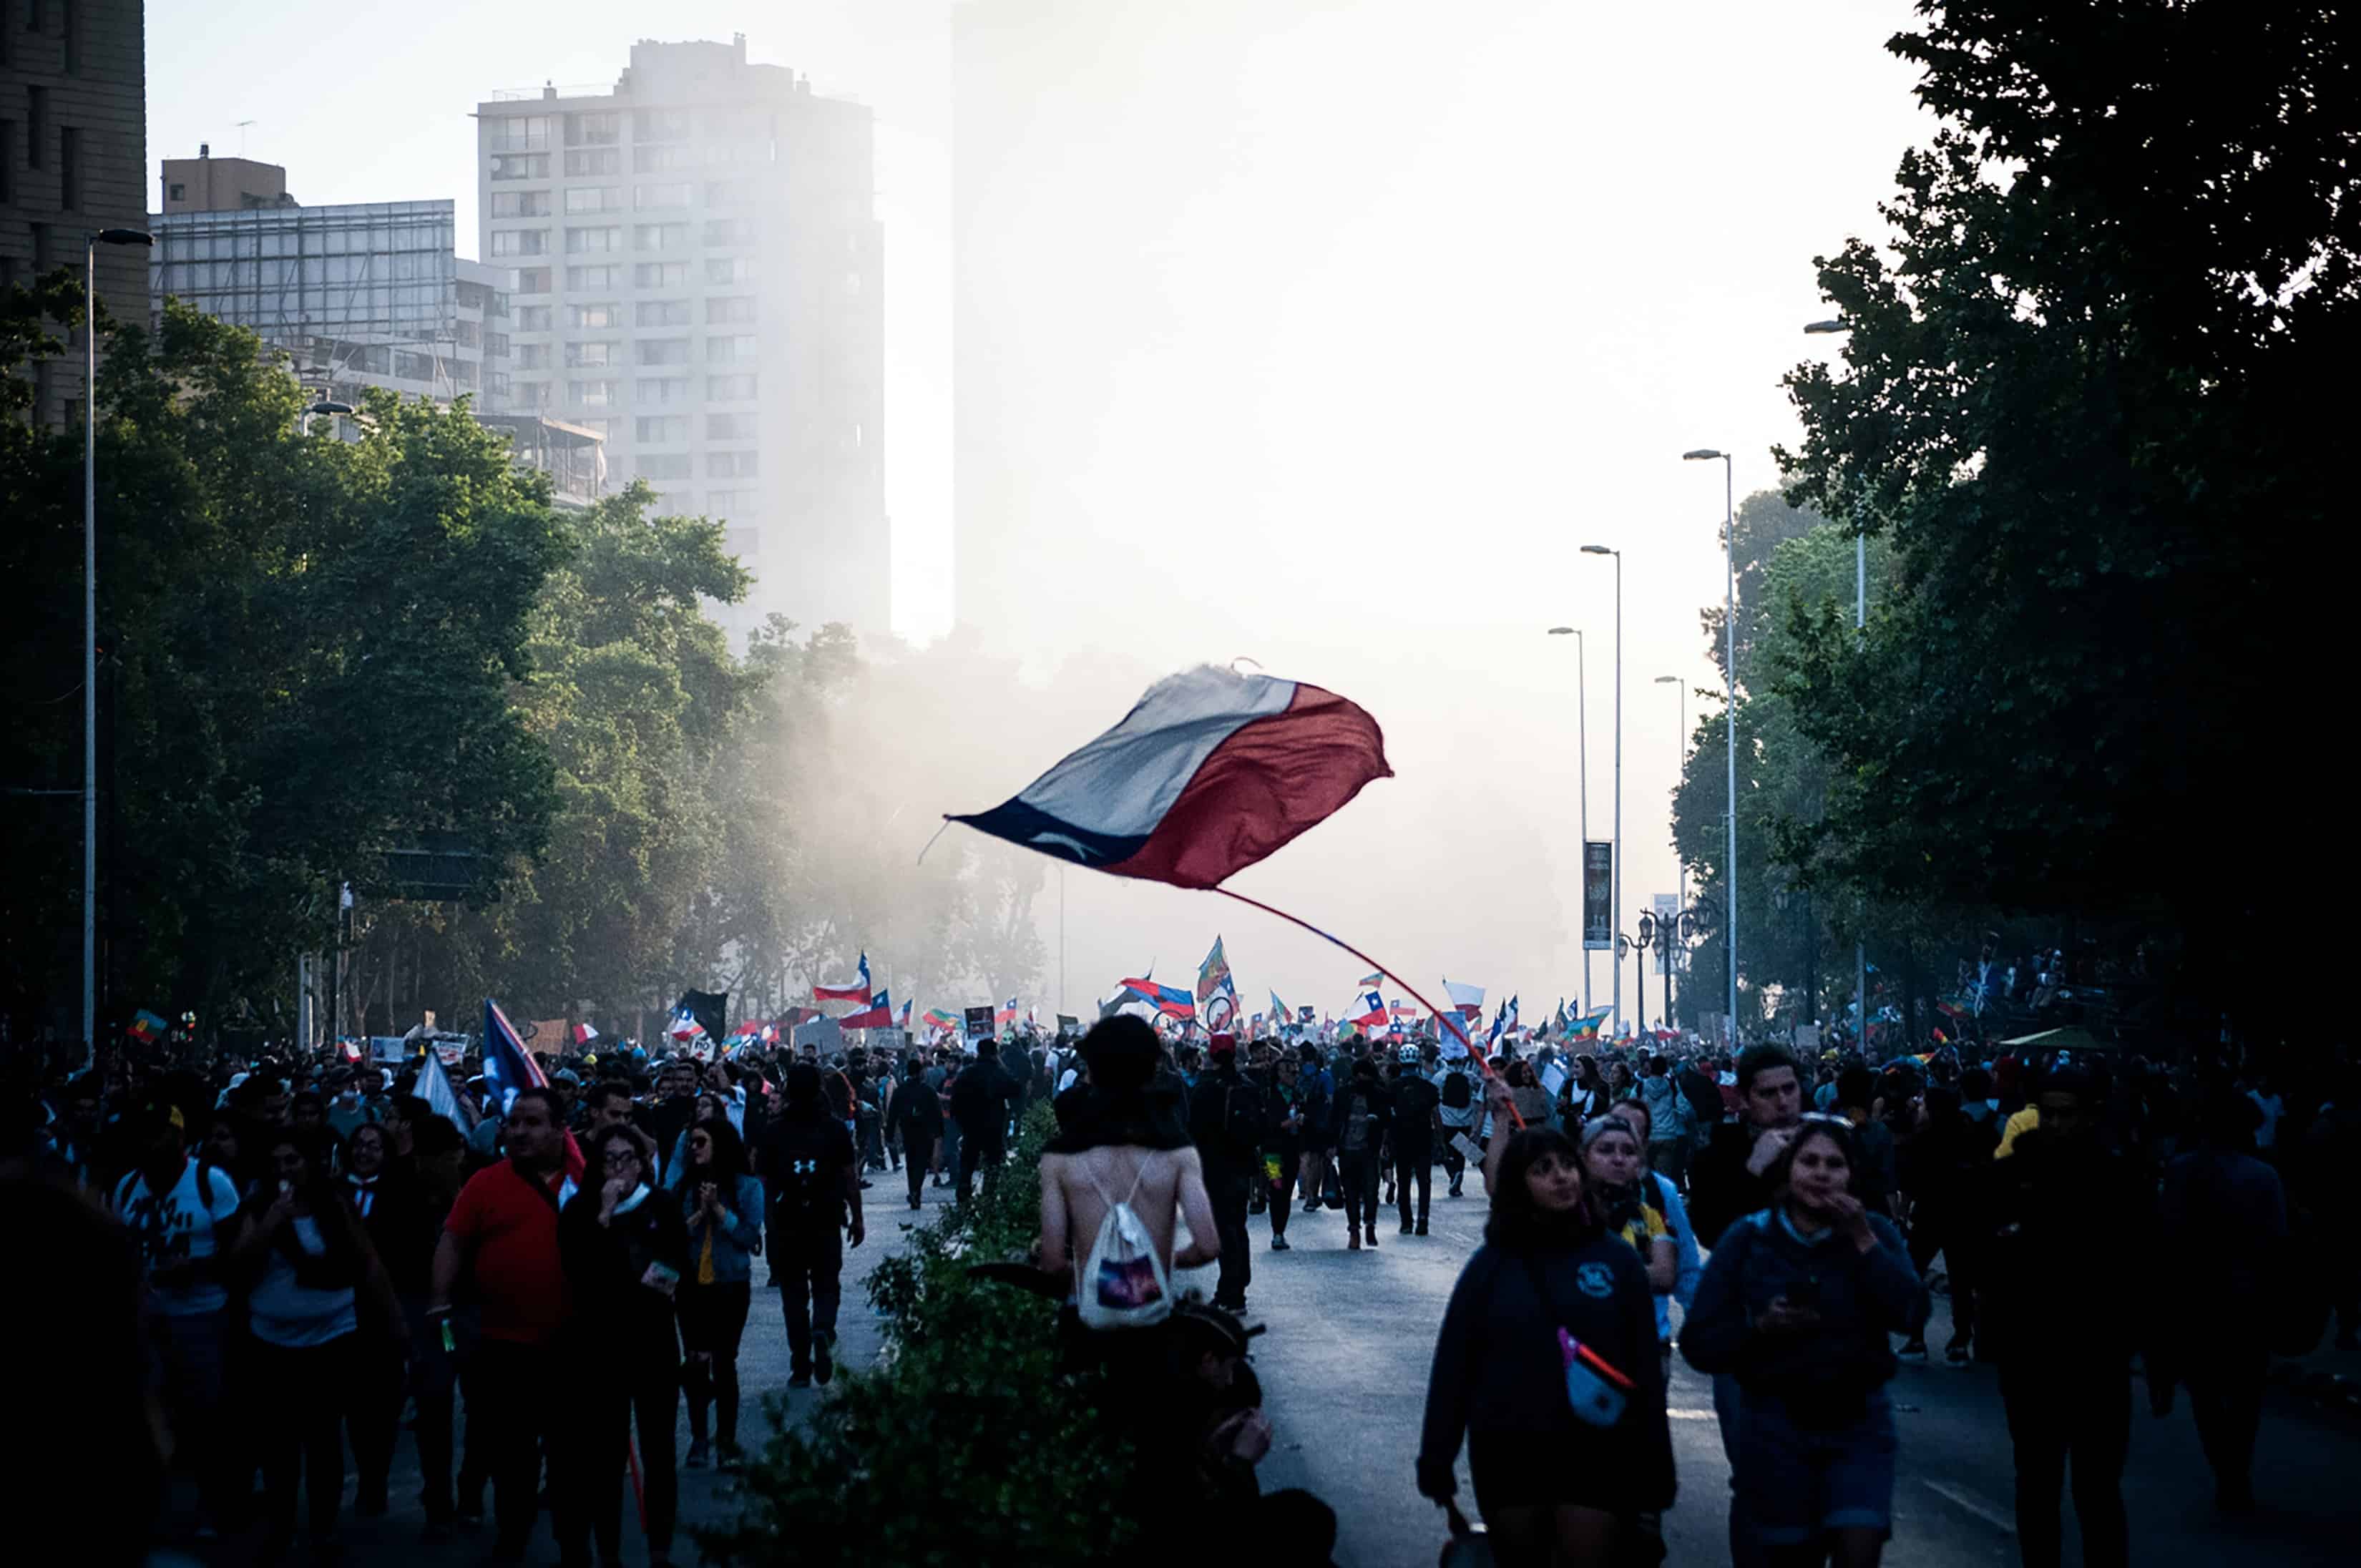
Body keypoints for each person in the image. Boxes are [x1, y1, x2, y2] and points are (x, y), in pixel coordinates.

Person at [1417, 1125, 1674, 1567]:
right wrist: (1437, 1456)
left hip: (1595, 1448)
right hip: (1509, 1449)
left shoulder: (1616, 1259)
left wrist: (1656, 1467)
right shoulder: (1492, 1265)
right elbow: (1454, 1366)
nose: (1562, 1178)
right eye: (1543, 1169)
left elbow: (1644, 1370)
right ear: (1519, 1184)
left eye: (1568, 1166)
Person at [1682, 1116, 1930, 1568]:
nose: (1821, 1174)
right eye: (1809, 1161)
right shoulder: (1750, 1238)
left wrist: (1863, 1241)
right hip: (1776, 1428)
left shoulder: (1873, 1231)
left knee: (1860, 1544)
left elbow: (1912, 1312)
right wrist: (1759, 1327)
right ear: (1788, 1169)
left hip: (1858, 1424)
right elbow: (1700, 1340)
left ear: (1852, 1173)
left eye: (1834, 1164)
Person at [1980, 1070, 2154, 1568]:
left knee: (2096, 1489)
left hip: (2097, 1360)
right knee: (2037, 1484)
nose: (2056, 1123)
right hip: (2031, 1360)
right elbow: (1990, 1255)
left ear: (2090, 1115)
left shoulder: (2117, 1177)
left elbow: (2144, 1267)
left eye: (2067, 1113)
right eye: (2049, 1112)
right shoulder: (2013, 1174)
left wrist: (2153, 1354)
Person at [232, 1124, 404, 1565]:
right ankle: (281, 1524)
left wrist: (394, 1326)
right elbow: (239, 1266)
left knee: (324, 1439)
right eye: (276, 1164)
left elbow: (366, 1263)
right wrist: (271, 1223)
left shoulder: (335, 1206)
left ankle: (324, 1526)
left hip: (330, 1338)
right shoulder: (256, 1207)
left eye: (292, 1161)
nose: (285, 1170)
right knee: (279, 1444)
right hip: (273, 1341)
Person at [430, 1087, 577, 1564]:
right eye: (514, 1122)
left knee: (571, 1457)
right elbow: (453, 1241)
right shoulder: (486, 1184)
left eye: (533, 1123)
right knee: (512, 1455)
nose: (518, 1132)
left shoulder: (586, 1180)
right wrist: (440, 1300)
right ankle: (512, 1536)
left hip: (571, 1346)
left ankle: (576, 1546)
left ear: (560, 1130)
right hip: (501, 1344)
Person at [112, 1096, 245, 1536]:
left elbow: (237, 1253)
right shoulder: (128, 1187)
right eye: (146, 1135)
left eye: (163, 1134)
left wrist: (195, 1270)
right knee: (148, 1416)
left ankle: (215, 1505)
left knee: (208, 1416)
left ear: (181, 1137)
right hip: (148, 1322)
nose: (154, 1143)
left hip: (205, 1319)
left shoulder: (212, 1183)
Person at [559, 1122, 688, 1568]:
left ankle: (660, 1550)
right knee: (604, 1456)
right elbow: (578, 1270)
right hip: (600, 1347)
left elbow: (674, 1269)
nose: (619, 1168)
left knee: (658, 1451)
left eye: (627, 1159)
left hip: (652, 1343)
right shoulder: (579, 1210)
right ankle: (608, 1550)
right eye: (609, 1159)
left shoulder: (661, 1205)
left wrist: (636, 1281)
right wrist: (604, 1215)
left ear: (641, 1162)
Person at [2154, 1094, 2285, 1516]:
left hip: (2197, 1298)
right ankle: (2235, 1471)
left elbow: (2166, 1239)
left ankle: (2227, 1470)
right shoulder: (2263, 1176)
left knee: (2206, 1393)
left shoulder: (2181, 1171)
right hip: (2248, 1298)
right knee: (2245, 1396)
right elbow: (2277, 1242)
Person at [758, 1063, 865, 1387]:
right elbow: (850, 1177)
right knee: (826, 1283)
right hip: (826, 1217)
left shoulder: (774, 1131)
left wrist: (766, 1224)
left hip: (787, 1220)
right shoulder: (834, 1130)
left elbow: (762, 1181)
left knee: (793, 1294)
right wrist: (857, 1217)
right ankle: (823, 1326)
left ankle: (801, 1364)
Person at [674, 1117, 764, 1470]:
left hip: (730, 1283)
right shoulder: (684, 1188)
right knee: (696, 1361)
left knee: (725, 1362)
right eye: (691, 1143)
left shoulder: (746, 1187)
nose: (694, 1149)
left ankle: (726, 1441)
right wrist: (699, 1213)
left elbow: (747, 1236)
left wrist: (720, 1212)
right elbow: (673, 1236)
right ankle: (699, 1438)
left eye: (700, 1142)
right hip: (692, 1285)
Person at [1896, 1082, 1997, 1365]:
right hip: (1964, 1219)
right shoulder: (1972, 1132)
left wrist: (1901, 1216)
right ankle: (1960, 1341)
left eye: (1925, 1105)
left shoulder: (1923, 1140)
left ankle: (1916, 1339)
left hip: (1931, 1217)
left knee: (1914, 1276)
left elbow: (1911, 1185)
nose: (1921, 1109)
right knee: (1961, 1281)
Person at [1188, 1032, 1263, 1313]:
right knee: (1238, 1226)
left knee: (1223, 1229)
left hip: (1214, 1168)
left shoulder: (1204, 1089)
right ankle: (1236, 1286)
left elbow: (1192, 1130)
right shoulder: (1248, 1086)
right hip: (1242, 1168)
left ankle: (1231, 1292)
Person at [1329, 1057, 1393, 1250]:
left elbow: (1387, 1121)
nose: (1362, 1078)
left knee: (1371, 1190)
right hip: (1347, 1149)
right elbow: (1334, 1120)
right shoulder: (1343, 1095)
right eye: (1359, 1074)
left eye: (1366, 1074)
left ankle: (1370, 1223)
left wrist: (1384, 1142)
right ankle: (1354, 1229)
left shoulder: (1379, 1095)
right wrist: (1331, 1144)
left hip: (1370, 1149)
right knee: (1350, 1191)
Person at [950, 1041, 1020, 1203]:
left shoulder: (966, 1074)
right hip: (993, 1128)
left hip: (971, 1127)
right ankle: (988, 1199)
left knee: (967, 1164)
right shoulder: (998, 1072)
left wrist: (961, 1123)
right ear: (995, 1053)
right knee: (993, 1165)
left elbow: (955, 1102)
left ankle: (963, 1199)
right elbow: (1016, 1088)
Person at [1259, 1052, 1310, 1251]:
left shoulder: (1297, 1095)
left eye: (1295, 1072)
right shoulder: (1269, 1095)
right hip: (1272, 1151)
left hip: (1291, 1150)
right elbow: (1265, 1124)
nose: (1293, 1075)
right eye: (1288, 1072)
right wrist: (1285, 1124)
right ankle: (1276, 1232)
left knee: (1287, 1189)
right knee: (1276, 1188)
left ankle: (1281, 1230)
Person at [1389, 1044, 1442, 1235]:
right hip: (1424, 1138)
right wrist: (1440, 1141)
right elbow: (1436, 1116)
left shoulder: (1393, 1087)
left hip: (1401, 1139)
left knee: (1403, 1181)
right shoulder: (1429, 1088)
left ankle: (1406, 1222)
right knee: (1424, 1181)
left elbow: (1389, 1116)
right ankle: (1423, 1219)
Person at [889, 1053, 944, 1210]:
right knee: (921, 1162)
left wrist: (890, 1134)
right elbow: (936, 1113)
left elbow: (893, 1112)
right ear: (921, 1072)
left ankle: (913, 1190)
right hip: (924, 1131)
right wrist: (939, 1133)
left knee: (911, 1162)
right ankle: (916, 1191)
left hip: (908, 1130)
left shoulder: (901, 1091)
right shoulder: (928, 1090)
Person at [1434, 1050, 1480, 1197]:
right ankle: (1459, 1176)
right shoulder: (1470, 1076)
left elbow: (1433, 1093)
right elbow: (1480, 1089)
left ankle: (1453, 1176)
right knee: (1462, 1152)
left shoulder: (1440, 1076)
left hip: (1447, 1120)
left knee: (1447, 1151)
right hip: (1466, 1120)